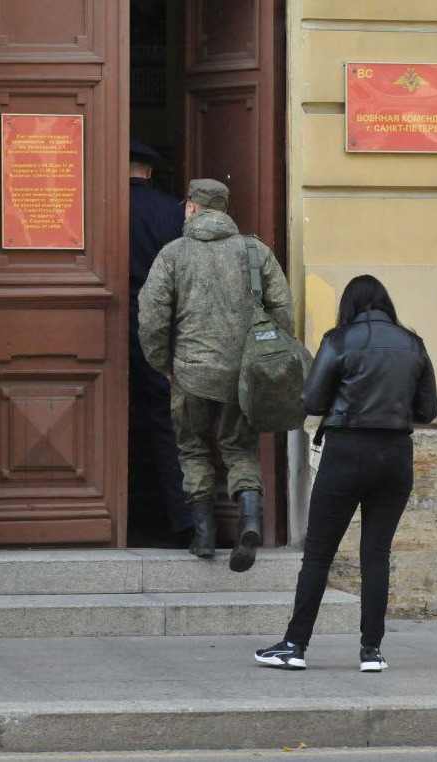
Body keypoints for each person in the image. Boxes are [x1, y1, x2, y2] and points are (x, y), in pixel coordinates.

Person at [255, 275, 437, 672]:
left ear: (350, 306)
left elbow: (313, 400)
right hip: (395, 455)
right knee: (376, 555)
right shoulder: (413, 344)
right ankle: (371, 651)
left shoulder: (338, 340)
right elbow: (428, 411)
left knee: (319, 553)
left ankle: (294, 645)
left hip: (346, 451)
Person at [138, 179, 295, 572]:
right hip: (243, 376)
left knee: (193, 448)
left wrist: (163, 365)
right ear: (224, 210)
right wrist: (265, 364)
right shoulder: (256, 251)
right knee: (240, 449)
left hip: (190, 374)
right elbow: (283, 312)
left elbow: (151, 318)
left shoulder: (173, 254)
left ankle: (204, 534)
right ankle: (250, 521)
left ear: (191, 208)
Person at [127, 140, 191, 547]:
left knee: (100, 417)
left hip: (96, 325)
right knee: (166, 422)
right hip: (160, 328)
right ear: (149, 171)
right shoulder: (171, 211)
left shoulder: (95, 206)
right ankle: (183, 518)